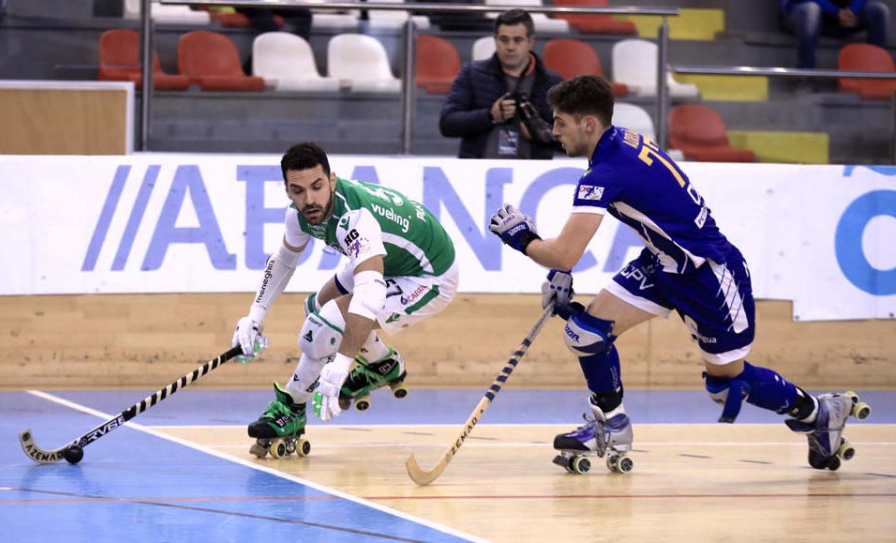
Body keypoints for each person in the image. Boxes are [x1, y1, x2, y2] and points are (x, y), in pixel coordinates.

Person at [488, 75, 868, 472]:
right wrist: (559, 274)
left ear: (588, 124)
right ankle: (611, 424)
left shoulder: (606, 171)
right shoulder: (618, 143)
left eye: (561, 122)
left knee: (726, 384)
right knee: (587, 332)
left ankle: (821, 414)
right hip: (665, 264)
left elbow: (565, 253)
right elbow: (575, 251)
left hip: (709, 276)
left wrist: (521, 237)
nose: (554, 131)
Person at [232, 142, 459, 457]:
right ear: (287, 191)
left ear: (332, 180)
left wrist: (343, 361)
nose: (309, 199)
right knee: (315, 307)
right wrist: (254, 316)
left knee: (327, 326)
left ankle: (292, 407)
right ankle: (382, 363)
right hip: (389, 259)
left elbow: (370, 292)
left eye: (317, 186)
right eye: (298, 191)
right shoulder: (300, 216)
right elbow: (284, 262)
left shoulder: (355, 219)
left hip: (428, 276)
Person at [439, 9, 563, 159]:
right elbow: (447, 124)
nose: (510, 47)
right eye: (504, 39)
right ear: (495, 40)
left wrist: (543, 133)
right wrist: (491, 116)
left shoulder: (552, 83)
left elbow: (573, 141)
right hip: (478, 173)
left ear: (530, 41)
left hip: (532, 176)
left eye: (517, 40)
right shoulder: (471, 73)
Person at [780, 0, 890, 69]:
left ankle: (878, 73)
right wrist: (835, 12)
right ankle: (805, 75)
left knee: (879, 11)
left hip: (840, 18)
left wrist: (852, 11)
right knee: (810, 9)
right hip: (801, 15)